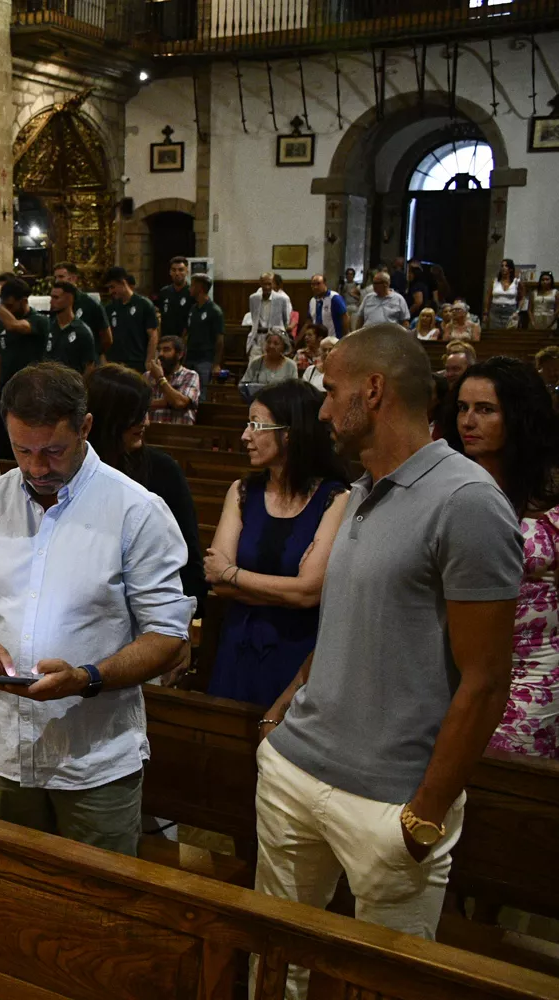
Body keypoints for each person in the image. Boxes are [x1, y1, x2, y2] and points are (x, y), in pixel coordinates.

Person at [254, 324, 522, 998]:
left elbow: (487, 680)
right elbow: (355, 617)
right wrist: (293, 699)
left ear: (372, 392)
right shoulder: (367, 489)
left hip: (388, 798)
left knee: (384, 982)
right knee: (275, 962)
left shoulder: (467, 503)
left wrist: (425, 814)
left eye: (332, 391)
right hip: (299, 769)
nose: (320, 409)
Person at [0, 362, 192, 852]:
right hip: (3, 750)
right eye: (22, 450)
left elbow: (168, 635)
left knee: (97, 907)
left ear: (86, 428)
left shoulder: (135, 510)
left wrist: (87, 677)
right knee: (12, 894)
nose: (35, 467)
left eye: (53, 451)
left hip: (93, 760)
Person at [203, 381, 349, 706]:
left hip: (298, 652)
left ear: (290, 433)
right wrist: (281, 590)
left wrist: (234, 574)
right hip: (237, 644)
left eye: (256, 425)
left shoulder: (336, 498)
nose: (245, 435)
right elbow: (216, 579)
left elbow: (309, 592)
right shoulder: (241, 491)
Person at [442, 358, 559, 758]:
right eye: (462, 408)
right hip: (452, 671)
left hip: (532, 678)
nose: (468, 422)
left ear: (519, 415)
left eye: (485, 409)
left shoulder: (551, 500)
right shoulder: (448, 487)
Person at [86, 364, 206, 610]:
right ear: (109, 417)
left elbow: (189, 558)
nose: (146, 422)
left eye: (145, 412)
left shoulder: (162, 471)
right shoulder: (72, 472)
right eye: (137, 415)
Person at [0, 277, 50, 459]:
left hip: (30, 391)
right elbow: (1, 354)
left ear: (23, 301)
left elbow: (14, 325)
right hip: (5, 388)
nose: (7, 310)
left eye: (10, 305)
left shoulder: (39, 321)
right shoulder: (3, 318)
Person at [102, 266, 159, 372]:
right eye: (108, 288)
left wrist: (149, 361)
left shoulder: (144, 304)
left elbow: (153, 335)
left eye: (112, 287)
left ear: (123, 283)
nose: (110, 291)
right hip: (115, 363)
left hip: (137, 362)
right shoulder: (109, 308)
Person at [54, 262, 112, 356]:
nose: (57, 281)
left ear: (73, 278)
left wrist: (94, 354)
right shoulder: (57, 303)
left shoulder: (90, 303)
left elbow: (107, 338)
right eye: (55, 277)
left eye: (61, 277)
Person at [43, 281, 98, 375]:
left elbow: (89, 366)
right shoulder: (48, 327)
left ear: (69, 299)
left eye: (56, 298)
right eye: (51, 297)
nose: (51, 302)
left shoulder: (82, 331)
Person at [146, 335, 200, 425]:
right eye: (159, 350)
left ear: (180, 355)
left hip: (178, 433)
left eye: (166, 350)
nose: (160, 354)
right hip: (151, 431)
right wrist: (168, 401)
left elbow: (179, 402)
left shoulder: (190, 375)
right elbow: (139, 404)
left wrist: (160, 379)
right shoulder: (148, 376)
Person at [184, 274, 225, 386]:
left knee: (202, 393)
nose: (189, 288)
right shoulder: (193, 309)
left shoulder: (214, 311)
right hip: (190, 357)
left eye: (192, 286)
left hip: (205, 359)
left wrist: (216, 364)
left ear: (200, 288)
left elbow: (219, 340)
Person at [246, 271, 293, 360]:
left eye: (269, 284)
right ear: (260, 284)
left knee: (272, 365)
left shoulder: (282, 299)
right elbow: (254, 317)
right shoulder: (253, 298)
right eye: (264, 284)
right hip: (258, 337)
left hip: (274, 339)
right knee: (254, 365)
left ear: (273, 284)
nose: (267, 287)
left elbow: (286, 321)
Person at [239, 330, 297, 401]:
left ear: (284, 347)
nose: (271, 346)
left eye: (276, 344)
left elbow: (295, 391)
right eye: (268, 342)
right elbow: (243, 385)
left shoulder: (291, 365)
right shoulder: (256, 362)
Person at [155, 256, 192, 343]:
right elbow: (160, 317)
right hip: (166, 340)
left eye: (181, 270)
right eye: (174, 270)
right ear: (170, 272)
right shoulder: (164, 292)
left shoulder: (192, 293)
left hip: (185, 341)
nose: (177, 273)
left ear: (187, 271)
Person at [302, 273, 347, 339]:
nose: (315, 287)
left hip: (333, 340)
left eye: (318, 284)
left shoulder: (334, 298)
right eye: (313, 284)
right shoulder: (312, 300)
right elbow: (309, 322)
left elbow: (345, 318)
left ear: (325, 283)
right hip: (317, 342)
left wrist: (345, 337)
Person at [486, 258, 523, 332]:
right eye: (502, 266)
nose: (503, 268)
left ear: (511, 269)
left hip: (510, 310)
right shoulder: (495, 281)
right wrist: (485, 312)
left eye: (506, 266)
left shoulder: (516, 282)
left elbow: (522, 298)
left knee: (509, 333)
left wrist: (518, 311)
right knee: (494, 332)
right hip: (495, 310)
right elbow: (488, 297)